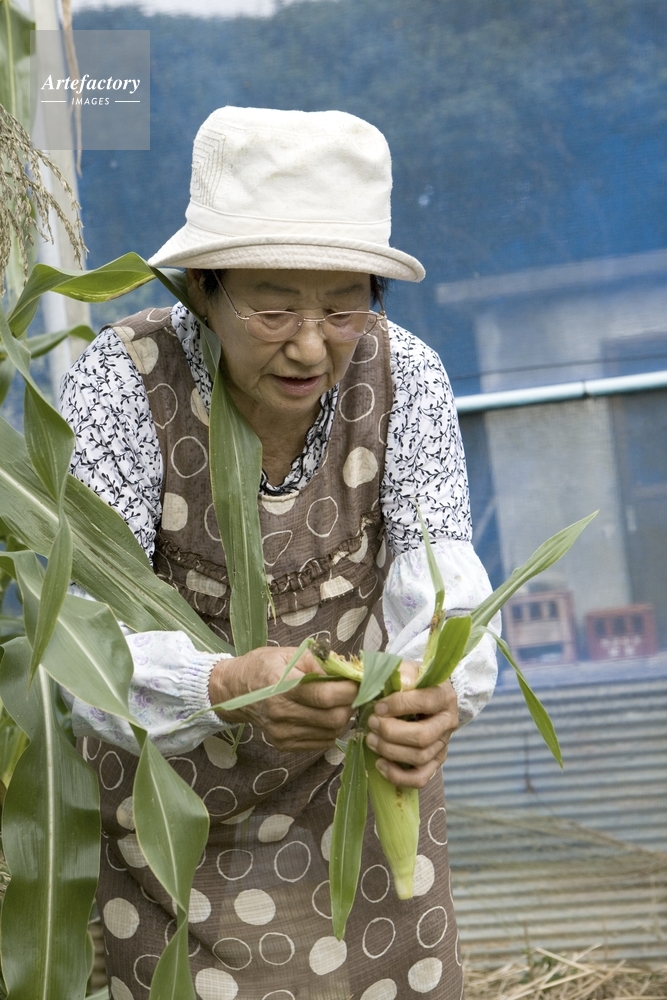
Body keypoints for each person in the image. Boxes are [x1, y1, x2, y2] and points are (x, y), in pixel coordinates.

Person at [60, 107, 498, 1000]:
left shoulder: (405, 375)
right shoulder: (122, 383)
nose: (309, 345)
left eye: (342, 308)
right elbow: (82, 645)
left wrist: (435, 686)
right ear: (201, 290)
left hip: (361, 803)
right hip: (175, 818)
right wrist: (226, 685)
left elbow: (441, 579)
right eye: (272, 308)